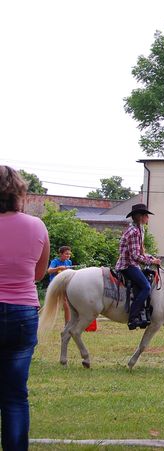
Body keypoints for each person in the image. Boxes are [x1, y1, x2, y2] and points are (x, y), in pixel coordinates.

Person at [0, 165, 50, 451]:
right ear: (19, 192)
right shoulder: (36, 226)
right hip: (22, 314)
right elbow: (39, 274)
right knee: (15, 397)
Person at [115, 203, 161, 330]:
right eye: (146, 215)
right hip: (127, 265)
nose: (148, 218)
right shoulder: (133, 232)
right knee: (146, 286)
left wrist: (152, 258)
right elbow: (135, 256)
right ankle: (133, 317)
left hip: (133, 264)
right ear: (140, 217)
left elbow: (141, 252)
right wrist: (151, 262)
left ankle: (143, 312)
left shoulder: (140, 230)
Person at [47, 245, 73, 323]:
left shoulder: (69, 262)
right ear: (61, 254)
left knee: (66, 304)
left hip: (64, 285)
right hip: (54, 285)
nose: (68, 255)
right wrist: (58, 268)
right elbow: (49, 271)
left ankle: (67, 323)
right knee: (52, 305)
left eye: (69, 254)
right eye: (66, 254)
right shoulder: (55, 261)